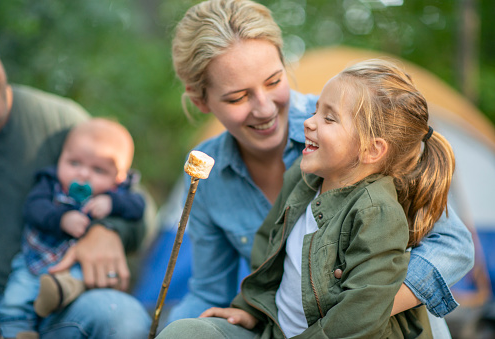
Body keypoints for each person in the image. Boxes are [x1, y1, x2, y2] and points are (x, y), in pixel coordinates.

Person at [163, 0, 474, 337]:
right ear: (200, 100)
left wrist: (363, 302)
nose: (265, 108)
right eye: (238, 97)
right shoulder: (212, 170)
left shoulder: (355, 128)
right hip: (281, 323)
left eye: (273, 81)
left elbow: (453, 244)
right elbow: (212, 290)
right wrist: (248, 309)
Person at [0, 27, 151, 339]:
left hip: (59, 305)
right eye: (74, 164)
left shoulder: (61, 123)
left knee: (122, 319)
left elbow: (141, 206)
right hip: (9, 289)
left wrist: (107, 230)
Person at [0, 118, 146, 338]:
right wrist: (61, 219)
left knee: (84, 280)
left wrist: (112, 203)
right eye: (74, 163)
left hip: (77, 267)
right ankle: (18, 333)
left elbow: (139, 207)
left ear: (118, 178)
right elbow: (34, 208)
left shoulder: (117, 194)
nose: (83, 174)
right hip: (35, 261)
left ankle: (61, 290)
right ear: (61, 158)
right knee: (14, 302)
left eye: (98, 170)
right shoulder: (50, 183)